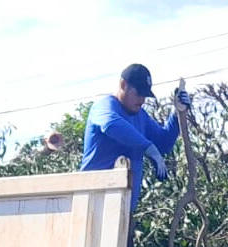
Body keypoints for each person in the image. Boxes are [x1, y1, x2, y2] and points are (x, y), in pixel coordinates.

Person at [80, 63, 192, 212]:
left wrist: (177, 112)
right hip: (92, 204)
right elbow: (110, 124)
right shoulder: (104, 106)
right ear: (123, 84)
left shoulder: (140, 116)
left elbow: (163, 143)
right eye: (138, 93)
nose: (142, 99)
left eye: (145, 95)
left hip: (123, 211)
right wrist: (147, 147)